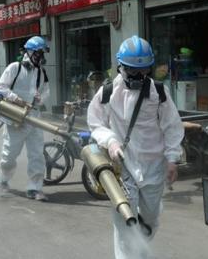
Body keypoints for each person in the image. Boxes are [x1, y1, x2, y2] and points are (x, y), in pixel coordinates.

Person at [86, 36, 184, 259]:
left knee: (149, 219)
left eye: (143, 71)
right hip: (123, 166)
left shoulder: (158, 93)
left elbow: (172, 127)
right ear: (121, 67)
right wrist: (110, 141)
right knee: (124, 217)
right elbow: (95, 122)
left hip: (154, 167)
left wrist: (172, 160)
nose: (139, 77)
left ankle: (140, 248)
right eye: (132, 71)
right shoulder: (109, 92)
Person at [0, 36, 50, 201]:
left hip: (33, 117)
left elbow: (47, 90)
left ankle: (35, 187)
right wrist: (15, 98)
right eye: (38, 53)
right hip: (15, 116)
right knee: (9, 154)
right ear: (29, 52)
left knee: (37, 154)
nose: (40, 56)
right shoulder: (15, 68)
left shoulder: (41, 72)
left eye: (42, 53)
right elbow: (1, 86)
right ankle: (3, 178)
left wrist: (42, 98)